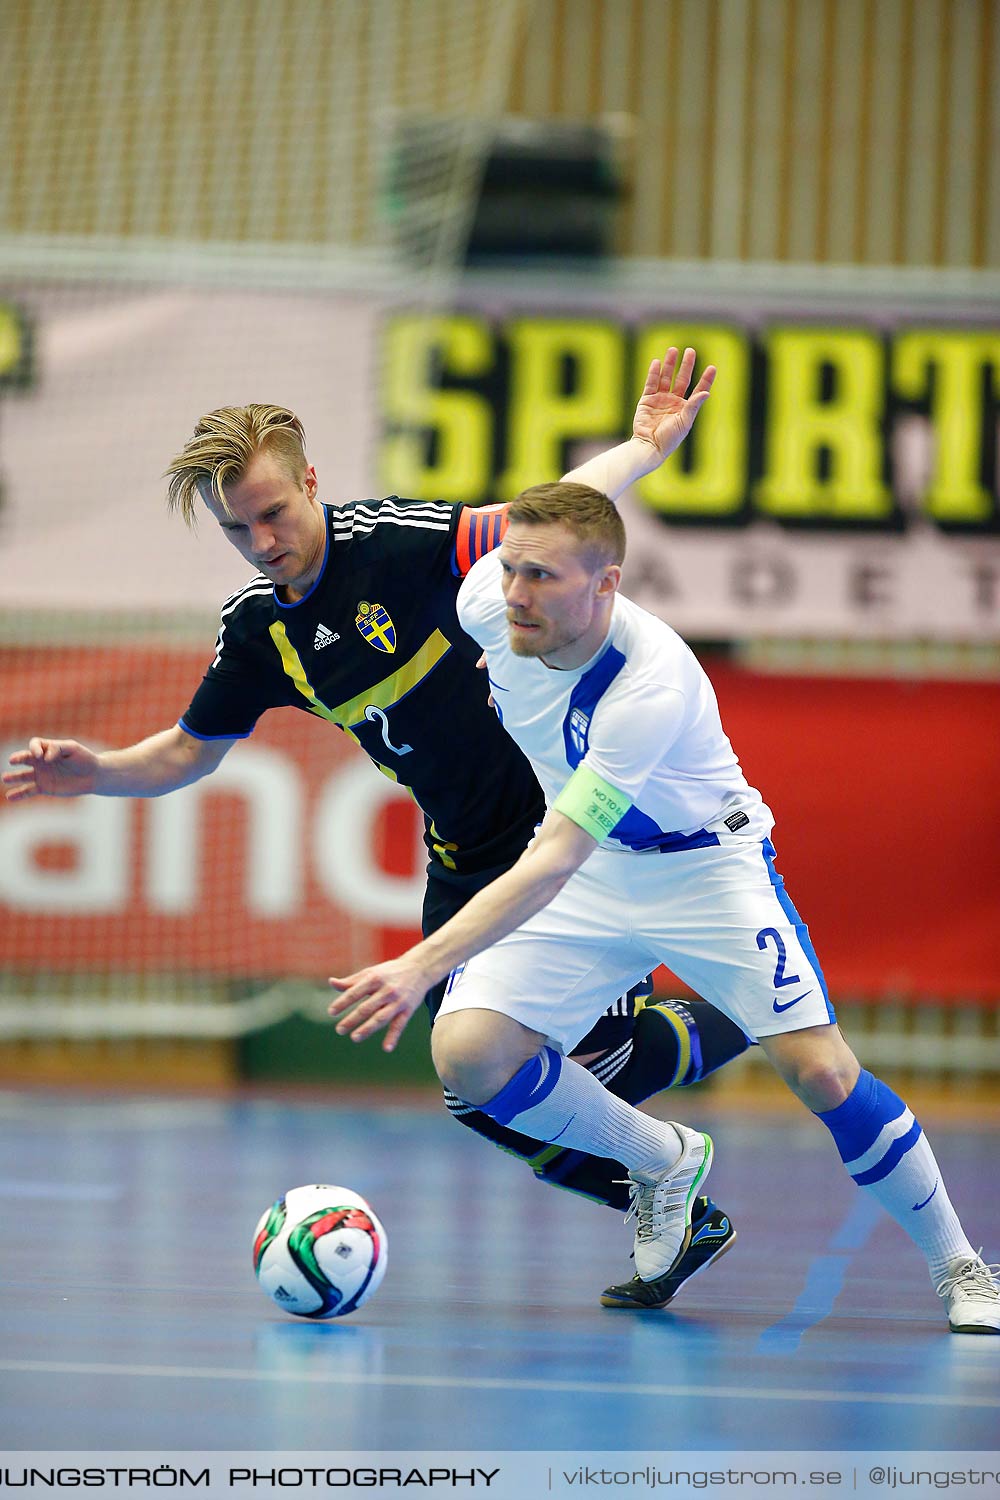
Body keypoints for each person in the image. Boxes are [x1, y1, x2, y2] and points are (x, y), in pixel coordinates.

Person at [2, 355, 751, 1308]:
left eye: (274, 512)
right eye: (237, 528)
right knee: (482, 1092)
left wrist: (644, 448)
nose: (262, 541)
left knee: (573, 1064)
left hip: (567, 827)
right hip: (463, 856)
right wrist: (97, 774)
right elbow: (189, 753)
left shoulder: (403, 541)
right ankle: (677, 1188)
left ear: (311, 481)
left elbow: (552, 516)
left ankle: (753, 1014)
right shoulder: (258, 633)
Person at [328, 349, 1000, 1332]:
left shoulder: (651, 684)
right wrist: (640, 450)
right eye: (509, 568)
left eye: (541, 578)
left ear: (605, 587)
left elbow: (550, 855)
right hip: (601, 875)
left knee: (821, 1072)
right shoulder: (494, 603)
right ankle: (663, 1162)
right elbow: (555, 514)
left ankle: (961, 1266)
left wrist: (421, 961)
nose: (512, 592)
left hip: (702, 871)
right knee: (469, 1054)